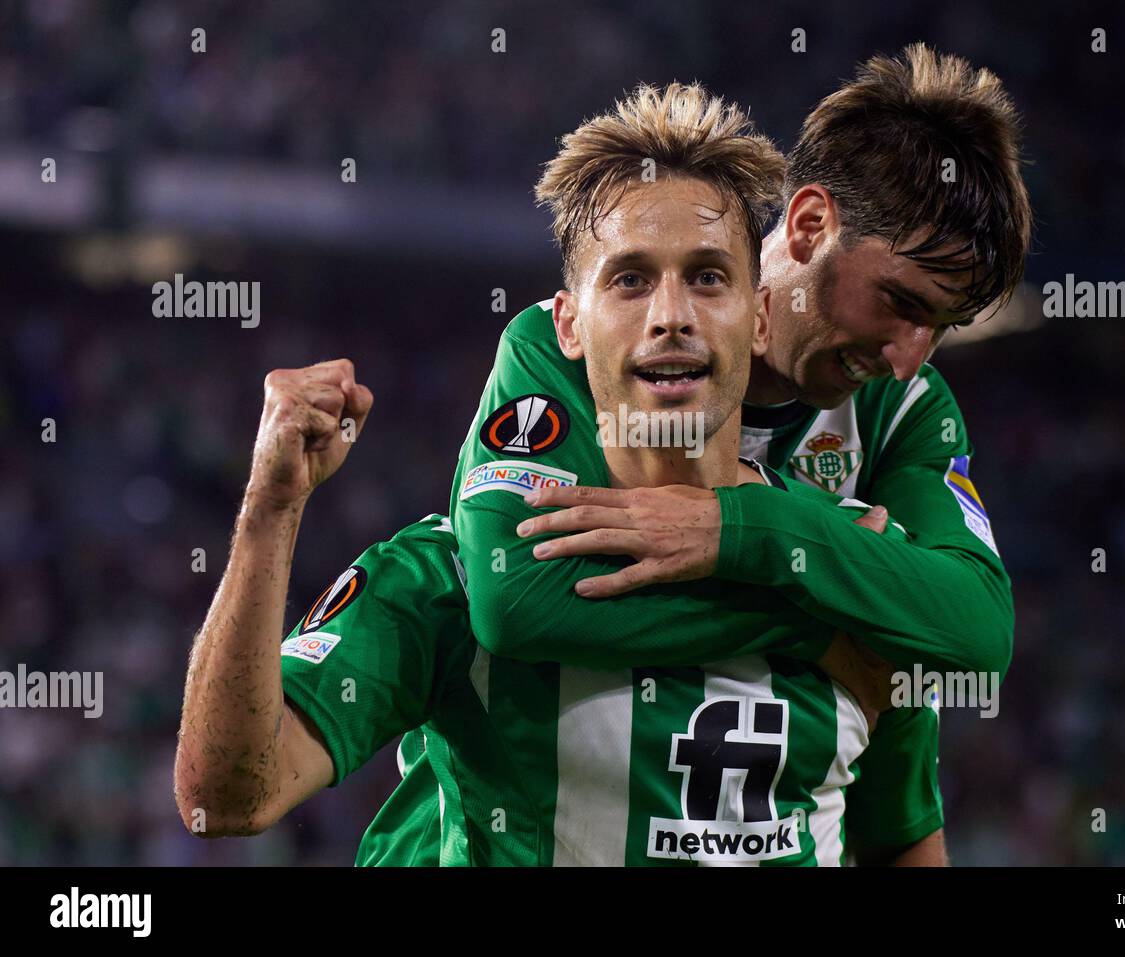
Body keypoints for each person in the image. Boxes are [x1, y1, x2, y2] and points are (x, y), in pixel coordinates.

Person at [175, 81, 929, 866]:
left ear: (762, 315)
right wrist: (269, 512)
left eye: (708, 277)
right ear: (568, 324)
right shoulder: (461, 574)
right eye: (630, 279)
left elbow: (904, 841)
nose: (671, 315)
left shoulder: (857, 565)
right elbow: (223, 796)